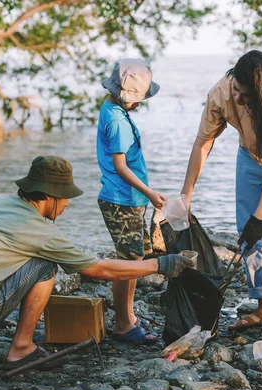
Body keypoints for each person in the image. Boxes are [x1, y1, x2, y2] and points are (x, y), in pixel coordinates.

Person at [0, 156, 192, 368]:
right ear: (50, 196)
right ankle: (21, 348)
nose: (67, 205)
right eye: (65, 197)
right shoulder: (40, 231)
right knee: (44, 266)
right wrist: (160, 265)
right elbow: (99, 269)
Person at [180, 50, 262, 346]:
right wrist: (186, 195)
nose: (238, 98)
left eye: (245, 95)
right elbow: (203, 143)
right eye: (236, 89)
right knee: (248, 233)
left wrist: (260, 216)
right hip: (250, 154)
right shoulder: (221, 92)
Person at [96, 58, 167, 344]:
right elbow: (122, 168)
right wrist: (150, 193)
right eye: (138, 99)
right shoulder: (116, 121)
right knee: (128, 262)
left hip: (129, 198)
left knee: (134, 258)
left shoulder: (113, 109)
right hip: (121, 199)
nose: (140, 103)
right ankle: (123, 324)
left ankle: (128, 316)